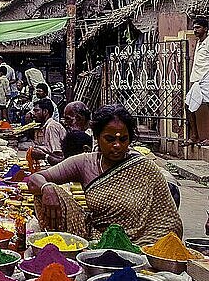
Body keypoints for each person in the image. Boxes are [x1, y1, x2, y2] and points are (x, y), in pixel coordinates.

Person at [28, 104, 183, 244]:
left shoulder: (143, 166)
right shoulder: (85, 162)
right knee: (45, 193)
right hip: (98, 239)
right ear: (97, 137)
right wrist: (47, 188)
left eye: (123, 139)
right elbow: (35, 179)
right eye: (109, 139)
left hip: (144, 243)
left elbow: (168, 220)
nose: (117, 145)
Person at [184, 16, 209, 145]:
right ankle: (194, 136)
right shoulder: (199, 42)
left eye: (198, 27)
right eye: (194, 28)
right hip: (198, 80)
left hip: (207, 78)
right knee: (189, 105)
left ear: (205, 29)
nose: (195, 30)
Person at [31, 98, 67, 165]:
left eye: (36, 111)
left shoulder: (51, 127)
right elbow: (50, 148)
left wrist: (44, 155)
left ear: (45, 112)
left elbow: (58, 154)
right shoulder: (47, 126)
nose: (33, 114)